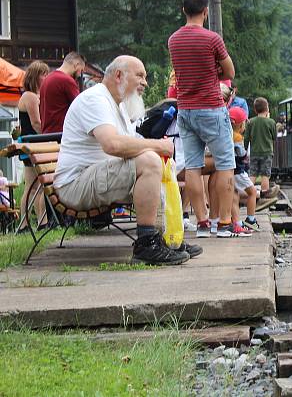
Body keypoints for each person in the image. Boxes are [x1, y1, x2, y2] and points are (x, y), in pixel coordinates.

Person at [53, 56, 201, 265]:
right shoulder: (95, 99)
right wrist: (157, 145)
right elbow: (112, 145)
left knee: (161, 162)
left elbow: (131, 145)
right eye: (140, 75)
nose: (145, 82)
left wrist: (158, 150)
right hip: (75, 184)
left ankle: (168, 240)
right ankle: (147, 244)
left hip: (95, 177)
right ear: (119, 75)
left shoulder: (118, 105)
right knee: (150, 160)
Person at [168, 0, 236, 239]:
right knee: (226, 164)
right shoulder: (212, 39)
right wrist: (212, 71)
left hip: (185, 110)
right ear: (206, 12)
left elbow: (183, 71)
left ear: (183, 10)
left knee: (193, 167)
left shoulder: (173, 40)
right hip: (211, 108)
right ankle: (226, 223)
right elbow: (230, 71)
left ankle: (203, 223)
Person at [17, 60, 49, 230]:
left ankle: (36, 222)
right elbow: (36, 123)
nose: (46, 77)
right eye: (44, 74)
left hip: (32, 144)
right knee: (35, 185)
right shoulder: (30, 96)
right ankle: (30, 223)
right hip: (32, 144)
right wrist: (49, 138)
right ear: (35, 76)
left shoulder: (34, 96)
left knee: (35, 185)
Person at [244, 97, 279, 209]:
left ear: (255, 109)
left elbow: (246, 138)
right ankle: (265, 199)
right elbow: (274, 137)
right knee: (265, 175)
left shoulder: (250, 122)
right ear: (267, 108)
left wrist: (244, 151)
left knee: (252, 175)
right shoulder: (271, 122)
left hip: (254, 152)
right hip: (267, 152)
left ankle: (248, 196)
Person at [39, 52, 86, 134]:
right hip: (62, 133)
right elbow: (80, 107)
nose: (79, 75)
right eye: (81, 70)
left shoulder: (47, 79)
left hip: (47, 133)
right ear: (76, 65)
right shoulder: (66, 80)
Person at [228, 107, 257, 235]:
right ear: (240, 124)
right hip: (238, 172)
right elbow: (241, 155)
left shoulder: (227, 135)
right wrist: (247, 157)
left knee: (234, 196)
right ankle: (251, 219)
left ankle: (237, 223)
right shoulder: (238, 137)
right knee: (252, 192)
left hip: (229, 171)